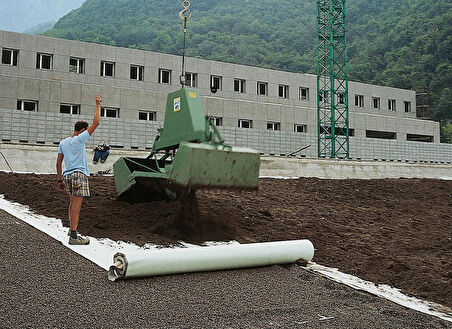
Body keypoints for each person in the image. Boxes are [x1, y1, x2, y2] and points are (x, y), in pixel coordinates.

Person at [56, 94, 102, 245]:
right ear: (81, 130)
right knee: (76, 206)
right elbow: (96, 122)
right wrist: (98, 104)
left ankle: (71, 229)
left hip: (67, 175)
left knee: (72, 203)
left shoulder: (63, 142)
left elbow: (58, 163)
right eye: (85, 130)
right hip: (78, 175)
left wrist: (59, 180)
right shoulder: (80, 139)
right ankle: (74, 236)